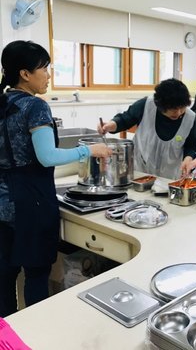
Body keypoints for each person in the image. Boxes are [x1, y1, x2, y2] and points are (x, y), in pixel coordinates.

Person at [0, 40, 111, 317]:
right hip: (30, 204)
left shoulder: (3, 102)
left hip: (3, 203)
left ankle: (7, 339)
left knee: (4, 280)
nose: (49, 75)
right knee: (36, 278)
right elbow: (47, 157)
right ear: (25, 73)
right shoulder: (34, 107)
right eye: (45, 69)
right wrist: (89, 150)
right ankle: (35, 336)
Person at [98, 78, 196, 179]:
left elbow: (193, 144)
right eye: (174, 109)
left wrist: (188, 158)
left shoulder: (191, 118)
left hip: (169, 176)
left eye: (182, 108)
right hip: (139, 172)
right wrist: (110, 125)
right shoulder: (146, 105)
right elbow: (125, 119)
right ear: (160, 105)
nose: (179, 113)